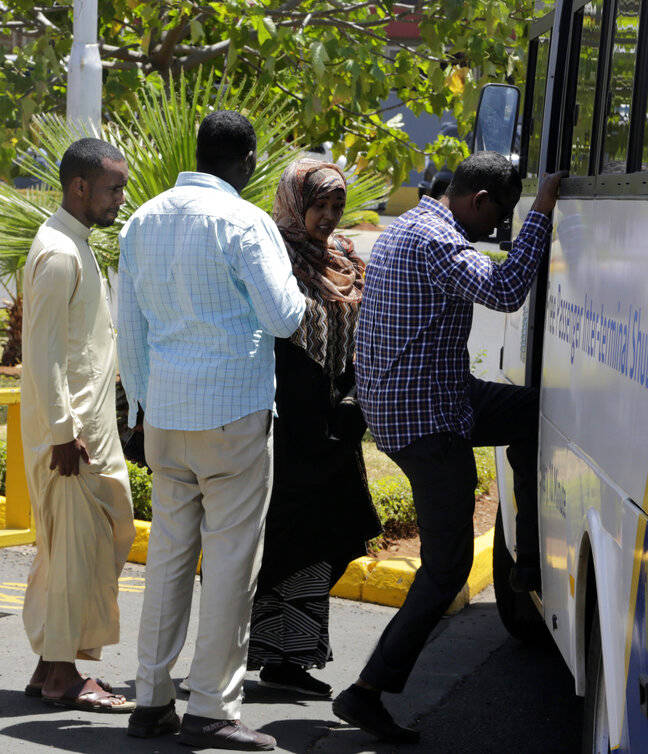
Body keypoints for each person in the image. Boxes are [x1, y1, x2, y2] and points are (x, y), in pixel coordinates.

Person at [331, 152, 565, 744]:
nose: (496, 229)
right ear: (480, 199)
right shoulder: (438, 240)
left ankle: (528, 555)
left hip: (427, 395)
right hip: (427, 419)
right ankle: (366, 692)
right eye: (500, 215)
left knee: (538, 413)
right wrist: (542, 209)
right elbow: (508, 290)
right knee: (446, 569)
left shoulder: (412, 222)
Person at [118, 110, 306, 750]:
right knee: (228, 563)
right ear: (248, 161)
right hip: (232, 415)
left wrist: (140, 409)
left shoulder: (142, 219)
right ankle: (211, 708)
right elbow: (283, 319)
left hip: (166, 414)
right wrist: (308, 292)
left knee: (169, 556)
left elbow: (131, 331)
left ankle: (149, 696)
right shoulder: (247, 223)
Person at [247, 159, 381, 697]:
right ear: (293, 203)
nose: (326, 217)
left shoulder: (345, 258)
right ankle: (273, 657)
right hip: (286, 424)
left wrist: (352, 394)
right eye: (317, 206)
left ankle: (294, 655)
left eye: (335, 207)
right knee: (288, 540)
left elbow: (363, 334)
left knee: (327, 536)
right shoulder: (270, 255)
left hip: (335, 421)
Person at [20, 137, 137, 714]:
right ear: (80, 187)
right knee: (75, 550)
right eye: (114, 187)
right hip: (71, 438)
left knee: (88, 542)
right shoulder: (61, 253)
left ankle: (50, 663)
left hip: (86, 428)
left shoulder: (73, 243)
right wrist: (64, 433)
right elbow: (41, 354)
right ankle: (64, 674)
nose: (122, 197)